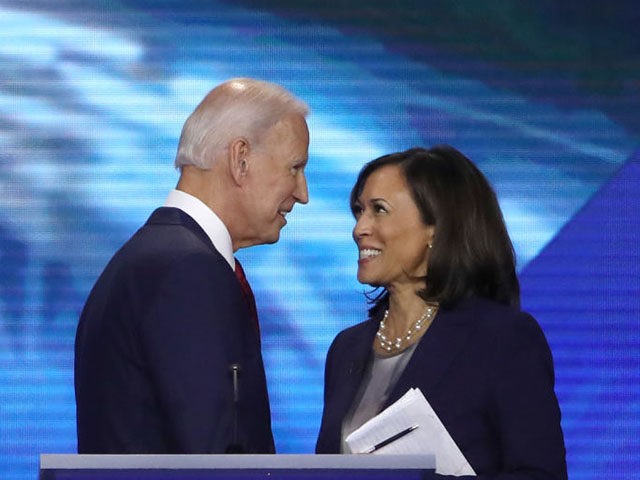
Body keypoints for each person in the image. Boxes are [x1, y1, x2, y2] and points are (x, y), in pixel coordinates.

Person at [75, 78, 310, 454]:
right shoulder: (187, 271)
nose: (303, 193)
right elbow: (214, 457)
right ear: (240, 159)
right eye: (295, 168)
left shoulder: (150, 257)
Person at [315, 146, 567, 479]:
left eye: (379, 210)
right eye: (359, 211)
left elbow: (541, 474)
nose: (360, 228)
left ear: (436, 227)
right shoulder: (346, 348)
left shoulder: (502, 338)